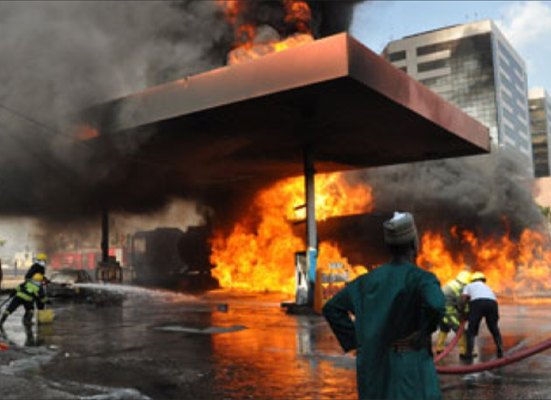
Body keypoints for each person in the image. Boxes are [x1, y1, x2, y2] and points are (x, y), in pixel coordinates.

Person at [322, 212, 445, 400]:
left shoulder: (364, 281)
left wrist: (359, 342)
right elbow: (436, 305)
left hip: (373, 372)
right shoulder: (422, 279)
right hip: (410, 372)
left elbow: (331, 308)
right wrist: (422, 333)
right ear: (414, 243)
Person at [462, 271, 503, 359]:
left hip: (477, 303)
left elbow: (464, 299)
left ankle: (468, 354)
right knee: (493, 327)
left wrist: (464, 312)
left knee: (471, 330)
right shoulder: (487, 287)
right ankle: (500, 348)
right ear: (483, 280)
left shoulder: (468, 286)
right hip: (492, 303)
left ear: (472, 280)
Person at [435, 270, 472, 358]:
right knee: (460, 331)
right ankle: (464, 352)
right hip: (449, 313)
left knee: (444, 330)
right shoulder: (460, 287)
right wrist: (466, 312)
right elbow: (461, 302)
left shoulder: (451, 284)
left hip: (441, 312)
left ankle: (439, 349)